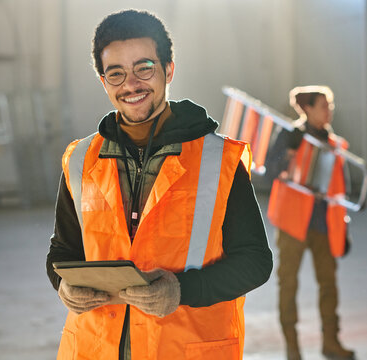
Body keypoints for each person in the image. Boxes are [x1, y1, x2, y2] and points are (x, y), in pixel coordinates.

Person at [45, 9, 273, 360]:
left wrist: (181, 290)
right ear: (103, 81)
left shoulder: (217, 160)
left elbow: (255, 261)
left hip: (185, 348)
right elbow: (62, 252)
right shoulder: (80, 160)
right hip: (94, 349)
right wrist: (63, 286)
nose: (131, 84)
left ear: (168, 69)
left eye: (144, 68)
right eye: (116, 73)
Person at [265, 86, 354, 360]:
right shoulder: (292, 137)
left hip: (325, 225)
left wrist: (344, 229)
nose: (330, 110)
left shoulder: (334, 144)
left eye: (330, 104)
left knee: (329, 284)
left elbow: (341, 190)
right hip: (293, 224)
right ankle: (292, 348)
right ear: (309, 109)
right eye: (324, 105)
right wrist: (287, 152)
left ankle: (331, 343)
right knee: (288, 284)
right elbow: (269, 172)